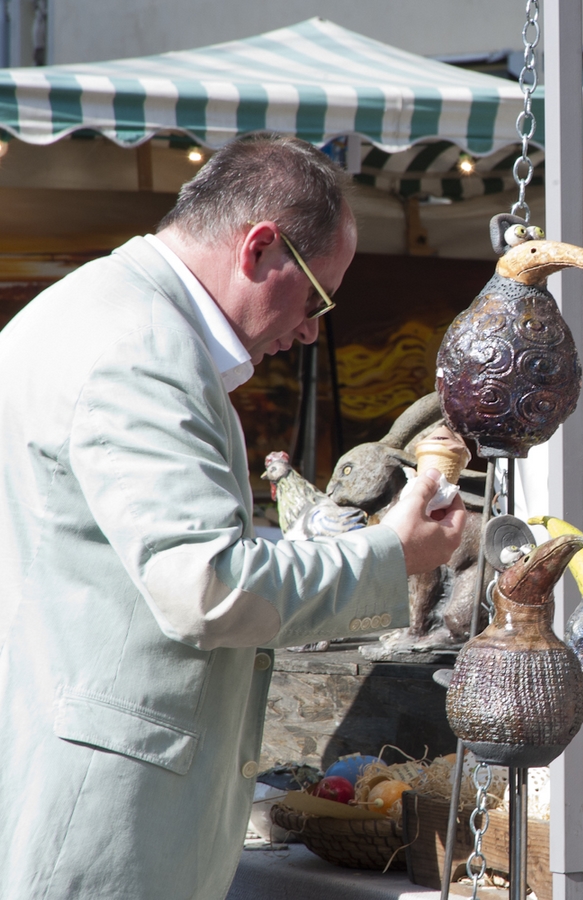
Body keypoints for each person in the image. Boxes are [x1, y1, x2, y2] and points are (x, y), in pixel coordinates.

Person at [0, 134, 467, 899]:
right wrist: (392, 552)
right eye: (318, 297)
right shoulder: (139, 345)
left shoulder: (93, 309)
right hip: (103, 813)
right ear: (260, 248)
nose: (313, 327)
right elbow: (206, 585)